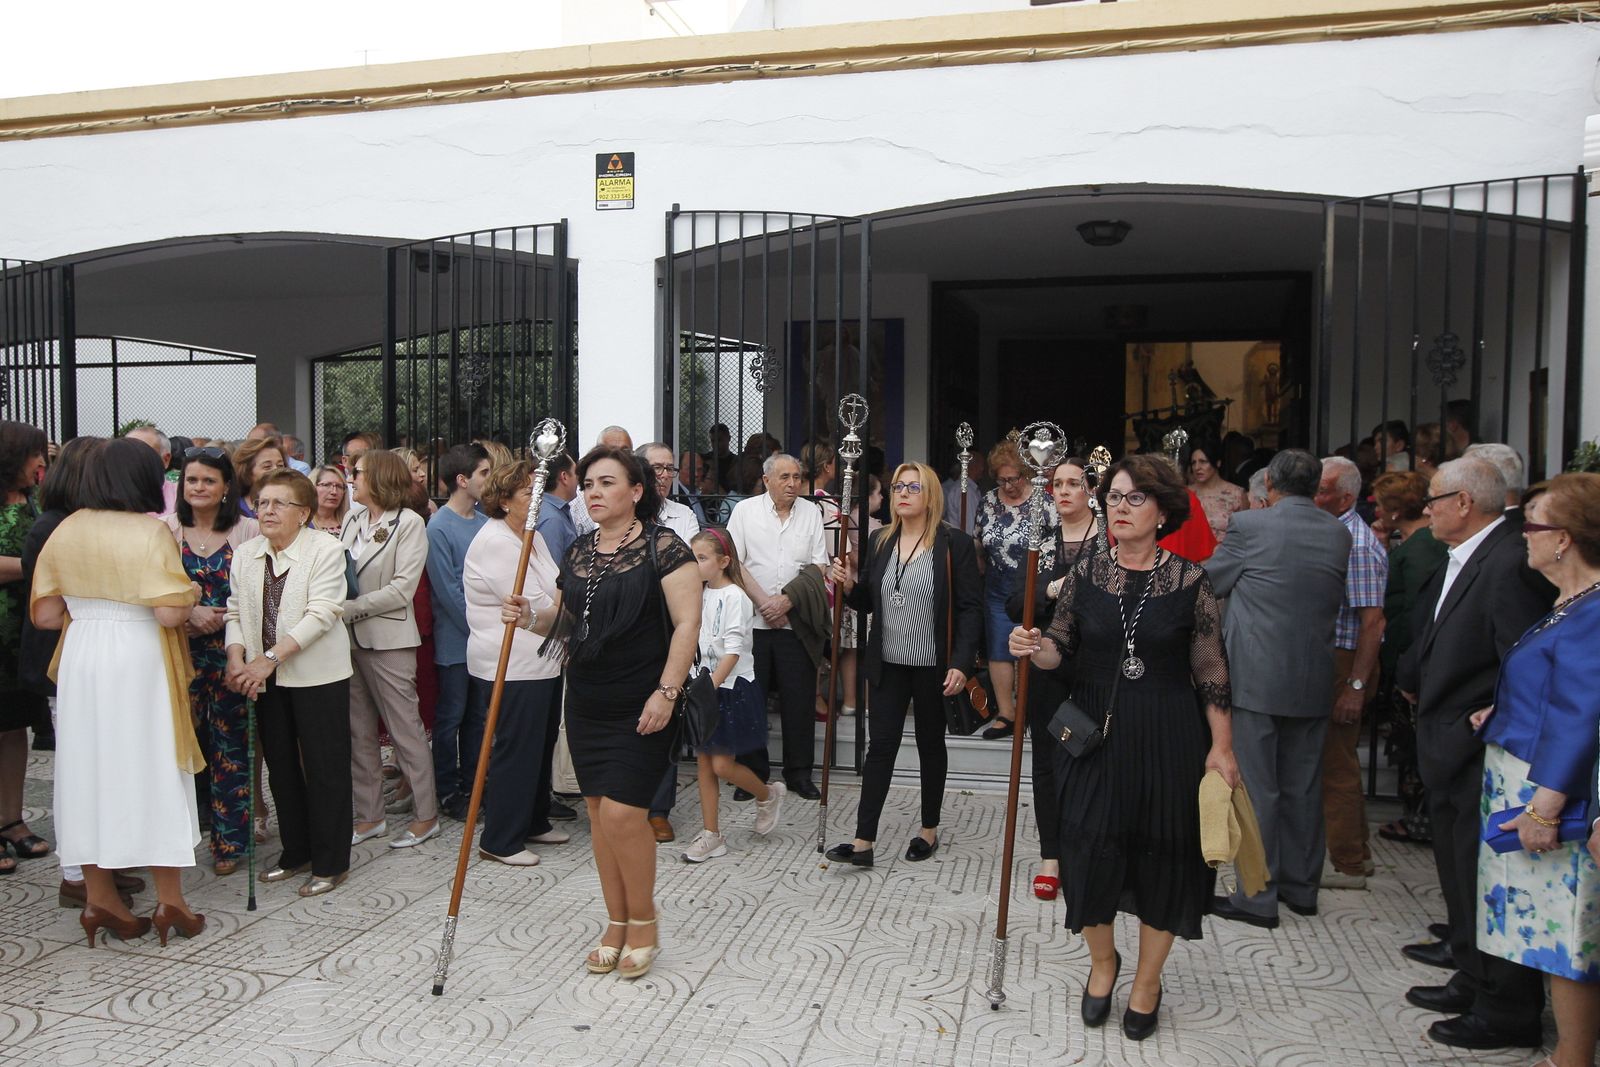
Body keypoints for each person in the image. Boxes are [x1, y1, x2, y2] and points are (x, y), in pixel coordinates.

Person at [1009, 455, 1237, 1042]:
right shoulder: (1086, 574)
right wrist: (1035, 648)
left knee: (1166, 852)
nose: (1120, 508)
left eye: (1135, 499)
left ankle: (1147, 982)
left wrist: (1222, 750)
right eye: (1113, 497)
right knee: (1087, 849)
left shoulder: (1191, 582)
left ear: (1163, 511)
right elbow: (1061, 644)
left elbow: (1212, 673)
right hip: (1094, 733)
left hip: (1168, 733)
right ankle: (1104, 964)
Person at [507, 445, 700, 979]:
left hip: (644, 698)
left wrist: (667, 692)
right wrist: (530, 617)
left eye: (607, 482)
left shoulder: (667, 548)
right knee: (597, 813)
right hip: (589, 696)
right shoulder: (579, 551)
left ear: (636, 492)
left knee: (623, 813)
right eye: (588, 483)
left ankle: (644, 921)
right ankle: (615, 921)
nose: (593, 492)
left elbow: (687, 625)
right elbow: (569, 621)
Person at [1396, 456, 1555, 1052]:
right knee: (1460, 872)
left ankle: (1505, 1005)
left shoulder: (1509, 561)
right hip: (1446, 740)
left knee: (1485, 874)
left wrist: (1482, 720)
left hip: (1475, 746)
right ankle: (1473, 970)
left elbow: (1521, 657)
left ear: (1464, 502)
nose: (1427, 508)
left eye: (1435, 497)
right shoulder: (1472, 555)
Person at [30, 437, 205, 946]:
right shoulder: (149, 533)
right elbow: (170, 613)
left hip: (83, 656)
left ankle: (100, 900)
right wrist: (189, 591)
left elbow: (44, 615)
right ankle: (171, 902)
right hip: (137, 655)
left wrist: (91, 608)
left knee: (86, 768)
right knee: (152, 763)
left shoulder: (65, 530)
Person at [1465, 474, 1600, 1067]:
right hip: (1529, 775)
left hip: (1552, 793)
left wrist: (1544, 807)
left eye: (1534, 525)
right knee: (1545, 935)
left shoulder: (1593, 611)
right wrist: (1506, 710)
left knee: (1565, 936)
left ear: (1565, 539)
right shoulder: (1570, 602)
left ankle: (1569, 1057)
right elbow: (1559, 689)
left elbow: (1583, 715)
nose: (1525, 536)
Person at [1202, 450, 1351, 929]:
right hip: (1313, 673)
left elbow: (1212, 581)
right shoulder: (1338, 532)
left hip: (1258, 673)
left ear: (1270, 486)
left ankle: (1257, 896)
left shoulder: (1250, 527)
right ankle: (1302, 889)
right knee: (1304, 786)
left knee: (1258, 787)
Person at [825, 462, 982, 867]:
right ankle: (863, 841)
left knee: (931, 745)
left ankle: (929, 828)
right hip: (888, 665)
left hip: (934, 665)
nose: (903, 493)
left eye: (913, 487)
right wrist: (848, 587)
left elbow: (969, 609)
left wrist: (962, 664)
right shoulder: (880, 541)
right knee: (880, 749)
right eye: (897, 487)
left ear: (929, 494)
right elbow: (869, 601)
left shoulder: (954, 544)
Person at [225, 469, 355, 897]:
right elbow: (234, 611)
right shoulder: (245, 553)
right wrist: (236, 657)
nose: (267, 510)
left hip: (317, 676)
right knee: (280, 767)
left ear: (303, 514)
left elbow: (323, 612)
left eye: (279, 503)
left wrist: (269, 659)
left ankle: (331, 861)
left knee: (325, 767)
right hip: (264, 679)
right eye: (262, 503)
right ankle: (295, 851)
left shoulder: (326, 549)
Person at [19, 438, 134, 906]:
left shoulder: (70, 525)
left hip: (84, 658)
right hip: (65, 661)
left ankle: (100, 868)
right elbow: (47, 607)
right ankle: (77, 875)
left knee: (98, 766)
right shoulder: (54, 528)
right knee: (78, 770)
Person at [1005, 456, 1105, 900]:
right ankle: (1051, 856)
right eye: (1057, 484)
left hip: (1096, 664)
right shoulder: (1040, 543)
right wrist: (1048, 590)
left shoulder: (1111, 541)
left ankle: (1090, 848)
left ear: (1090, 490)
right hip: (1047, 664)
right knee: (1046, 760)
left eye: (1073, 484)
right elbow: (1012, 603)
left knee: (1094, 758)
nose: (1063, 491)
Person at [164, 447, 260, 874]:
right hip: (177, 655)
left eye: (208, 481)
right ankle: (174, 839)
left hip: (230, 656)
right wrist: (189, 613)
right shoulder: (166, 530)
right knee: (175, 750)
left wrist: (218, 618)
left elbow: (255, 593)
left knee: (229, 749)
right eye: (191, 480)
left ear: (225, 488)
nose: (198, 488)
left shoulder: (248, 531)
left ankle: (229, 844)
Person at [464, 460, 566, 864]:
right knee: (515, 749)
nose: (537, 500)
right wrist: (558, 603)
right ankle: (501, 839)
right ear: (504, 500)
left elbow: (559, 588)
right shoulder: (495, 542)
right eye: (528, 493)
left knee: (539, 745)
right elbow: (534, 604)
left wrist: (559, 602)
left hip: (542, 659)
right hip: (509, 664)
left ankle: (534, 820)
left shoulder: (531, 536)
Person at [341, 448, 438, 849]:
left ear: (379, 476)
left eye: (358, 472)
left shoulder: (410, 523)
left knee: (404, 729)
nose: (351, 479)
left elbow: (402, 589)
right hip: (347, 641)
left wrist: (349, 609)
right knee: (358, 730)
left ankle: (426, 814)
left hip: (389, 639)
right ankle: (369, 815)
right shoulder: (353, 518)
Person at [726, 452, 829, 800]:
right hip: (753, 622)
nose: (792, 484)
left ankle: (799, 773)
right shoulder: (745, 512)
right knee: (750, 698)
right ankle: (751, 774)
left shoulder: (811, 513)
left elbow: (818, 566)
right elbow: (733, 563)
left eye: (797, 477)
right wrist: (764, 603)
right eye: (784, 477)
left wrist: (785, 601)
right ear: (767, 479)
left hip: (794, 621)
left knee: (799, 701)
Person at [681, 529, 786, 862]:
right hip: (703, 686)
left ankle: (767, 793)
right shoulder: (697, 593)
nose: (695, 564)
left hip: (729, 688)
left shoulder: (736, 597)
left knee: (723, 765)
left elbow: (733, 650)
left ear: (723, 562)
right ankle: (712, 833)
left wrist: (709, 687)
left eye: (701, 558)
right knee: (704, 763)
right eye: (693, 557)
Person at [1314, 456, 1388, 890]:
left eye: (1322, 490)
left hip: (1347, 661)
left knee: (1336, 763)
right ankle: (1353, 850)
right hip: (1335, 660)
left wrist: (1356, 686)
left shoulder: (1355, 543)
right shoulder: (1335, 534)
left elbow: (1372, 622)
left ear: (1345, 497)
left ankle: (1349, 862)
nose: (1314, 495)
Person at [1371, 471, 1449, 847]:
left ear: (1397, 507)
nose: (1375, 507)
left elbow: (1418, 608)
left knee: (1413, 744)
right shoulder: (1418, 542)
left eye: (1381, 501)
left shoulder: (1422, 548)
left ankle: (1419, 819)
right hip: (1409, 655)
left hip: (1411, 658)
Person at [975, 439, 1057, 741]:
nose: (1009, 485)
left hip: (1034, 587)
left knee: (1033, 647)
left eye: (1015, 478)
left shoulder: (1045, 502)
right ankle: (1007, 714)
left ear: (1026, 473)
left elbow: (1059, 544)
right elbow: (977, 540)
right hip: (997, 585)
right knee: (998, 647)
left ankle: (1031, 711)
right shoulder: (988, 501)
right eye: (1002, 479)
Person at [425, 444, 490, 820]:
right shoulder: (439, 527)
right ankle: (448, 790)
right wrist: (480, 626)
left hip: (482, 639)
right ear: (462, 480)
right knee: (451, 716)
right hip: (456, 641)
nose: (488, 479)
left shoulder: (483, 522)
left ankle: (474, 783)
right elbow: (448, 590)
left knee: (477, 718)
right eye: (483, 473)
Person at [0, 420, 51, 873]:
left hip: (22, 633)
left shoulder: (32, 501)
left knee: (15, 729)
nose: (41, 462)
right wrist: (37, 564)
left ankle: (11, 820)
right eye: (35, 454)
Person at [1187, 442, 1247, 544]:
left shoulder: (1237, 494)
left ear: (1218, 463)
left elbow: (1245, 532)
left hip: (1225, 556)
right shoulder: (1185, 494)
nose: (1197, 467)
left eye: (1203, 461)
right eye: (1193, 463)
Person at [125, 426, 178, 515]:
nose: (134, 459)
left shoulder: (182, 497)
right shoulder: (107, 495)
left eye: (144, 453)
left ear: (166, 459)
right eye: (127, 452)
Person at [232, 435, 287, 518]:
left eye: (280, 465)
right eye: (267, 467)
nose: (276, 470)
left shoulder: (295, 505)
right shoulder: (232, 508)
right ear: (247, 472)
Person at [941, 450, 986, 537]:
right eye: (982, 465)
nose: (983, 469)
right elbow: (969, 527)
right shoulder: (966, 491)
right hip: (965, 544)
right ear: (973, 466)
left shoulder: (968, 489)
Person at [309, 465, 350, 534]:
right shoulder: (302, 525)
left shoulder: (352, 524)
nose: (334, 492)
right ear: (312, 487)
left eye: (339, 486)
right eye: (327, 485)